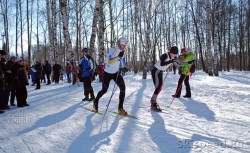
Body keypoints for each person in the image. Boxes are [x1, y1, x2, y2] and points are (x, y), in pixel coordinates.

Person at [93, 36, 128, 115]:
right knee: (104, 90)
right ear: (119, 43)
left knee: (123, 88)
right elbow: (109, 61)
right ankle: (96, 100)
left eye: (125, 45)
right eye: (123, 45)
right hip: (107, 73)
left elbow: (121, 60)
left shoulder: (123, 51)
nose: (124, 47)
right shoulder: (113, 49)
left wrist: (123, 67)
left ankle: (120, 108)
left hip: (116, 73)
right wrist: (118, 56)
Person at [150, 46, 179, 112]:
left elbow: (179, 62)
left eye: (175, 54)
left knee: (159, 88)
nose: (175, 55)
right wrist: (170, 61)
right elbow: (162, 63)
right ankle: (153, 102)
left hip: (160, 72)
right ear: (171, 52)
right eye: (174, 54)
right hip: (155, 71)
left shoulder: (173, 57)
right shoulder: (164, 55)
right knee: (158, 87)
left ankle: (153, 101)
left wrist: (189, 63)